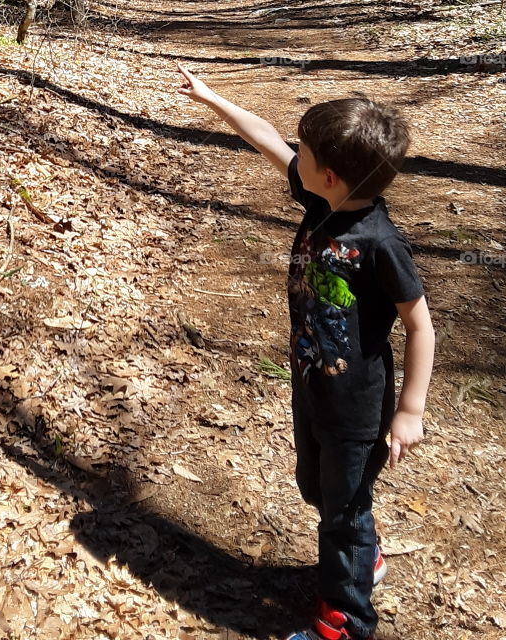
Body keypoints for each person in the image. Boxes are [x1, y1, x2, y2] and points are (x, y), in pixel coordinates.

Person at [177, 67, 435, 640]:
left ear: (331, 175)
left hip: (356, 409)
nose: (298, 157)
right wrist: (211, 98)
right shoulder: (324, 201)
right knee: (318, 490)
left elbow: (420, 325)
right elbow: (267, 138)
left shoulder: (381, 242)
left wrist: (410, 410)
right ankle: (364, 554)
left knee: (342, 512)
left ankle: (345, 622)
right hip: (313, 384)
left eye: (307, 153)